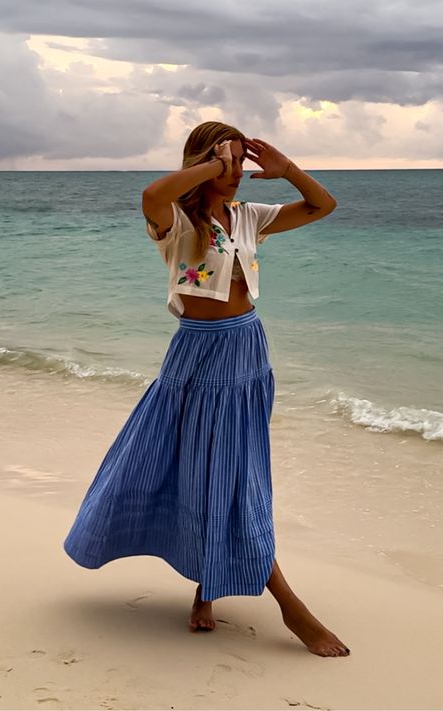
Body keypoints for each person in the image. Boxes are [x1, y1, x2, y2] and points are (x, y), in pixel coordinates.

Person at [64, 121, 350, 658]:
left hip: (247, 354)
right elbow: (152, 193)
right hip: (200, 356)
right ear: (206, 162)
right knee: (213, 476)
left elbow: (322, 205)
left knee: (232, 477)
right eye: (229, 163)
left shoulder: (246, 218)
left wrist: (285, 169)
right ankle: (291, 608)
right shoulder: (175, 222)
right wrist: (215, 166)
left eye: (242, 164)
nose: (238, 174)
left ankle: (208, 588)